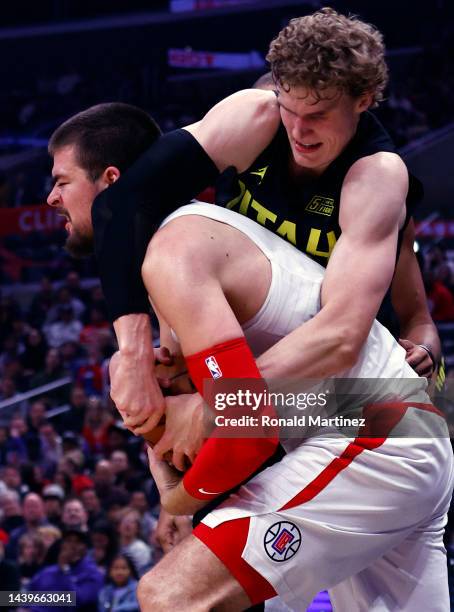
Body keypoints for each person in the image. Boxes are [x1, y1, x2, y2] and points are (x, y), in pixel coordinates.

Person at [82, 8, 440, 438]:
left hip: (342, 384)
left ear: (362, 100)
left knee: (187, 233)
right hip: (265, 368)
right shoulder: (257, 118)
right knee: (165, 221)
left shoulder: (377, 176)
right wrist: (136, 353)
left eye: (319, 115)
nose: (299, 131)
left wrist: (220, 404)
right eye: (290, 109)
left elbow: (371, 329)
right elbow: (118, 207)